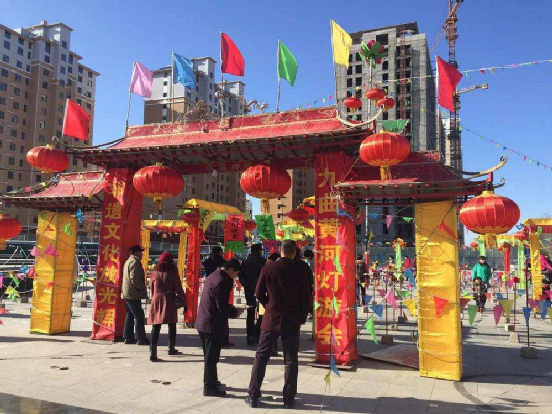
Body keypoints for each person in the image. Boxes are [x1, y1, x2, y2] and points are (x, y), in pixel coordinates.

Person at [246, 240, 312, 409]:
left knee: (261, 357)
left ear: (280, 251)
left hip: (271, 317)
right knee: (291, 359)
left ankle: (253, 395)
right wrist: (303, 315)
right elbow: (306, 296)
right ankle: (288, 399)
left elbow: (258, 292)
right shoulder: (301, 270)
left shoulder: (268, 267)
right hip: (292, 319)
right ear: (294, 253)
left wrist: (268, 305)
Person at [196, 259, 243, 397]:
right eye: (235, 273)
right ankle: (209, 387)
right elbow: (221, 306)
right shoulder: (222, 281)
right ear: (231, 269)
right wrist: (235, 312)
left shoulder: (214, 275)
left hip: (204, 321)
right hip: (211, 324)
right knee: (211, 358)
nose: (235, 276)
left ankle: (212, 381)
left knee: (210, 356)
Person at [148, 251, 186, 362]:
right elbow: (179, 289)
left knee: (156, 326)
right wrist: (184, 302)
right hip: (169, 300)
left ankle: (153, 353)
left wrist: (153, 298)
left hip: (156, 300)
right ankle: (171, 348)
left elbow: (151, 288)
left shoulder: (154, 272)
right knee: (172, 324)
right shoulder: (173, 272)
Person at [121, 245, 149, 345]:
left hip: (127, 292)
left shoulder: (128, 261)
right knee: (139, 315)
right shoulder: (135, 262)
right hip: (133, 293)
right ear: (136, 253)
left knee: (130, 314)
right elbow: (134, 279)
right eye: (140, 252)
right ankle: (140, 338)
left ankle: (128, 337)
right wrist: (142, 287)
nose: (142, 254)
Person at [239, 244, 266, 345]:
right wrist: (256, 284)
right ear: (259, 251)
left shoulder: (245, 262)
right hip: (261, 290)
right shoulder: (263, 261)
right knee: (262, 313)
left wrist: (246, 285)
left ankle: (249, 336)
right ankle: (257, 334)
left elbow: (240, 275)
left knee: (250, 313)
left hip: (248, 290)